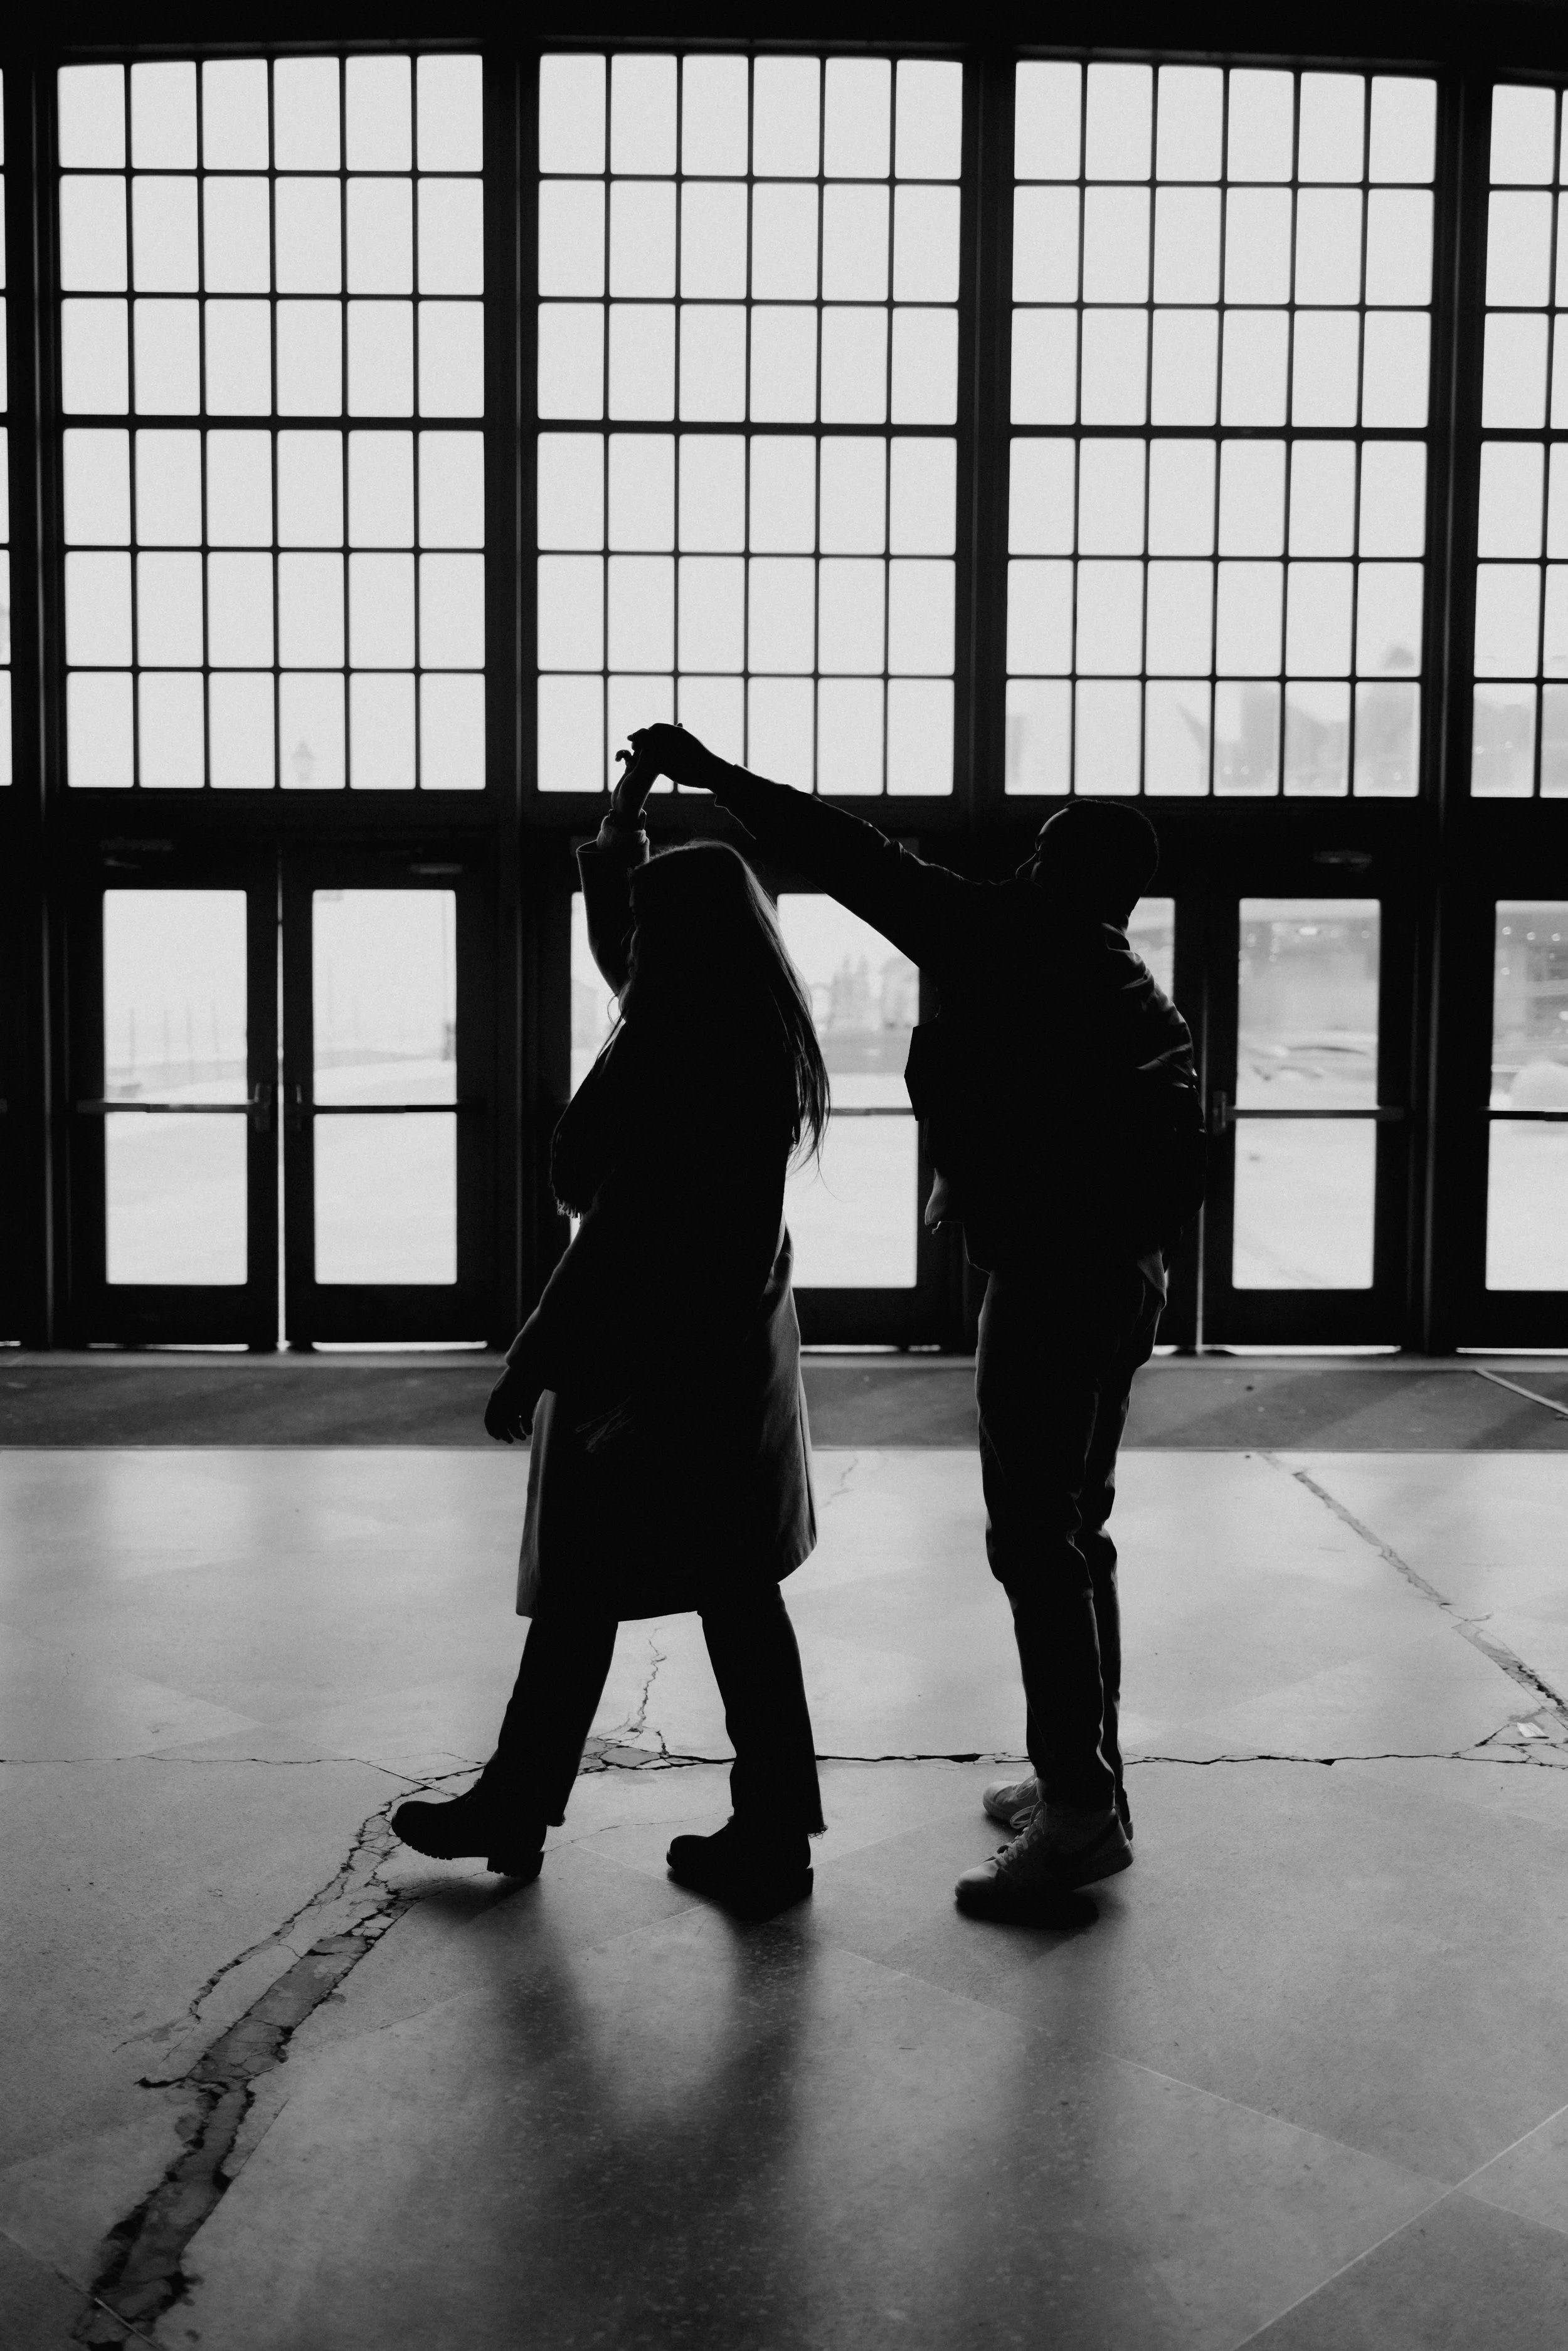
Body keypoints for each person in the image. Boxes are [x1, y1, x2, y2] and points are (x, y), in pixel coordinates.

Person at [622, 722, 1202, 1924]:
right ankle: (1089, 1786)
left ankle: (1082, 1814)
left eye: (1038, 848)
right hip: (1128, 1279)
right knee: (1078, 1533)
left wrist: (716, 774)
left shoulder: (1004, 935)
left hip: (1050, 1284)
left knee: (1034, 1543)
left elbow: (844, 846)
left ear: (1051, 862)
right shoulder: (1128, 983)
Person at [392, 746, 829, 1916]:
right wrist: (624, 819)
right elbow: (620, 943)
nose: (622, 942)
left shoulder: (688, 1053)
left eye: (640, 923)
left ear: (672, 944)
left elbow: (621, 1237)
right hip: (715, 1357)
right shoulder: (720, 1023)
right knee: (719, 1594)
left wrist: (534, 1365)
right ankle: (580, 1809)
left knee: (656, 1589)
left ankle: (543, 1807)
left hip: (662, 1361)